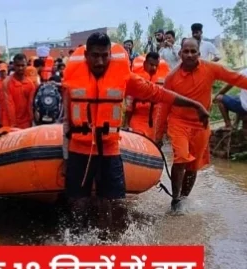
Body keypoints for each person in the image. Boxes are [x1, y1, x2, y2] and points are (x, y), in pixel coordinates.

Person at [63, 33, 210, 229]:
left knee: (116, 207)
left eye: (105, 55)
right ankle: (79, 245)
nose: (100, 61)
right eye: (95, 55)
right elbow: (66, 122)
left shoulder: (124, 77)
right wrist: (66, 159)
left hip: (109, 149)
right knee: (77, 205)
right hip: (79, 150)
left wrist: (195, 105)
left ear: (110, 55)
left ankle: (112, 246)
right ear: (87, 55)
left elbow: (159, 93)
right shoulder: (73, 79)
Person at [155, 38, 247, 212]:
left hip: (201, 125)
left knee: (193, 166)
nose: (189, 55)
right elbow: (164, 105)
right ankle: (175, 201)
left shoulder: (210, 69)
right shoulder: (171, 78)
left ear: (199, 53)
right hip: (178, 122)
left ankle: (184, 199)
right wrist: (158, 135)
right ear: (180, 53)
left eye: (193, 51)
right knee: (181, 157)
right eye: (186, 51)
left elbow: (238, 79)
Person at [124, 52, 169, 140]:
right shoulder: (136, 78)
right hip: (137, 118)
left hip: (153, 121)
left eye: (156, 65)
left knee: (152, 148)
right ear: (145, 63)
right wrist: (126, 123)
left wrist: (164, 127)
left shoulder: (162, 80)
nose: (154, 68)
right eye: (151, 64)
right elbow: (129, 104)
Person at [2, 53, 37, 129]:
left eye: (22, 65)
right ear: (13, 65)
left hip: (25, 123)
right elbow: (9, 105)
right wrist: (13, 125)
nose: (20, 68)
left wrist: (31, 121)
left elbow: (30, 105)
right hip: (9, 122)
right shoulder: (7, 82)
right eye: (18, 65)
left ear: (26, 65)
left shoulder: (30, 84)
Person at [0, 63, 10, 127]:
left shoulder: (11, 80)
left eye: (4, 71)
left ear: (7, 71)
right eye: (1, 71)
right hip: (0, 107)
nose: (2, 73)